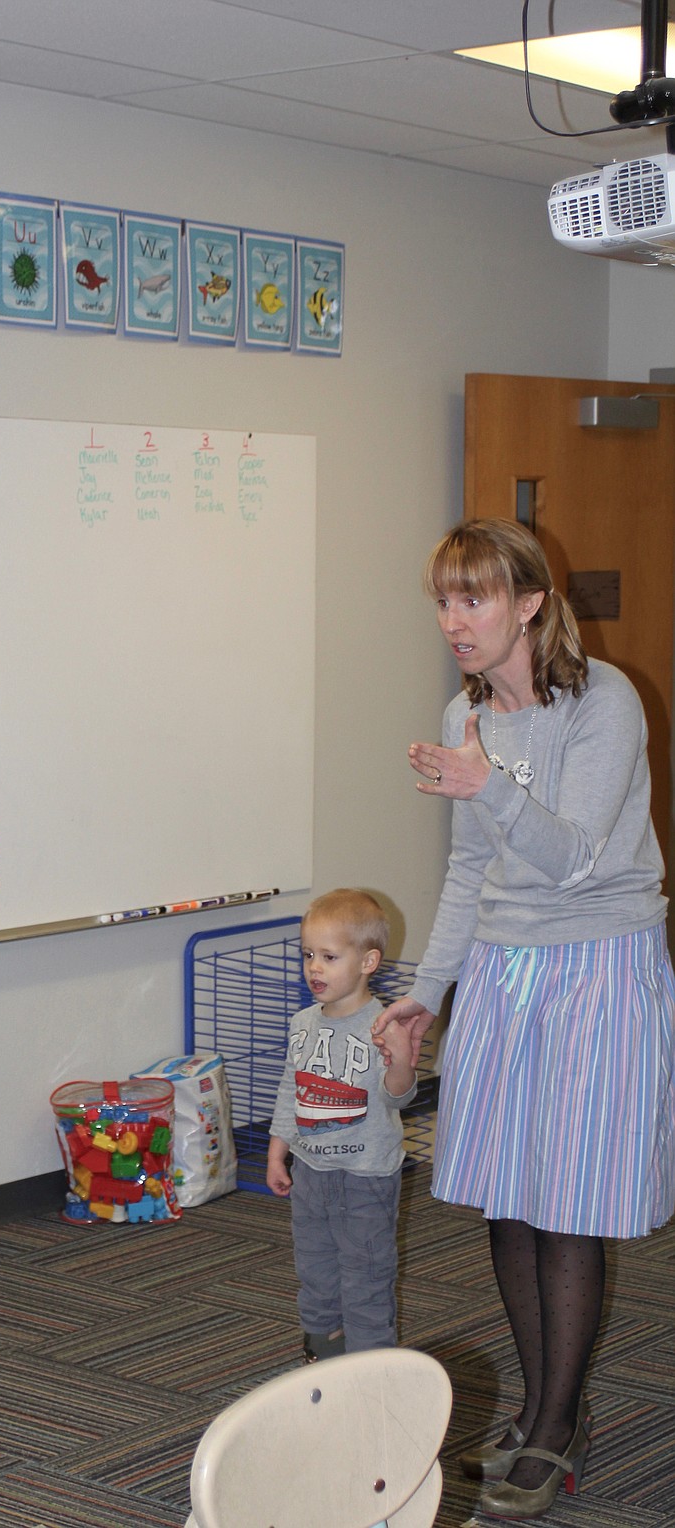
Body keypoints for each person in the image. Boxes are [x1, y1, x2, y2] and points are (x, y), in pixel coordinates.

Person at [374, 518, 675, 1520]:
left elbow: (576, 857)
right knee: (508, 1193)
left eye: (476, 599)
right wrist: (427, 991)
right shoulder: (465, 717)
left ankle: (553, 1420)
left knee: (570, 1201)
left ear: (532, 604)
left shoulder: (606, 704)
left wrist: (486, 784)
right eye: (445, 601)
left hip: (599, 959)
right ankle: (550, 1400)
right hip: (504, 970)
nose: (455, 622)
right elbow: (470, 867)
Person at [267, 888, 418, 1363]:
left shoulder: (382, 1025)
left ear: (368, 961)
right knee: (314, 1270)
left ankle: (371, 1368)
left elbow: (401, 1096)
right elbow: (292, 1090)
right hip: (312, 1173)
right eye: (308, 954)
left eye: (330, 957)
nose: (315, 967)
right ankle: (321, 1354)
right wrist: (277, 1149)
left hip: (367, 1177)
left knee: (366, 1275)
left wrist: (401, 1062)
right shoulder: (303, 1023)